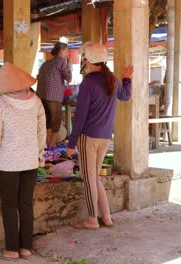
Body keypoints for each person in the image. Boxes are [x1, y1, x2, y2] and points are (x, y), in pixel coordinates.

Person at [67, 43, 133, 229]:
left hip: (89, 138)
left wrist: (72, 143)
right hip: (105, 137)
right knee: (95, 178)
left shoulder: (88, 82)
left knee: (89, 180)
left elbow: (79, 118)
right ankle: (107, 217)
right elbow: (126, 96)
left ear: (86, 60)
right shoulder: (112, 79)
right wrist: (127, 79)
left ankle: (92, 219)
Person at [0, 63, 46, 260]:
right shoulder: (36, 101)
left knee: (9, 205)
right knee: (25, 204)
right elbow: (41, 131)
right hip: (30, 161)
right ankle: (26, 247)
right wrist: (39, 153)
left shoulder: (0, 104)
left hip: (8, 163)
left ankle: (11, 249)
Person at [36, 42, 72, 147]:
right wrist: (69, 65)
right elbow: (69, 78)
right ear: (61, 52)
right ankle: (52, 143)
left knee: (46, 119)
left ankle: (45, 142)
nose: (68, 53)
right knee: (56, 119)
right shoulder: (61, 62)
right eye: (67, 50)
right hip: (54, 96)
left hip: (41, 96)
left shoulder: (46, 63)